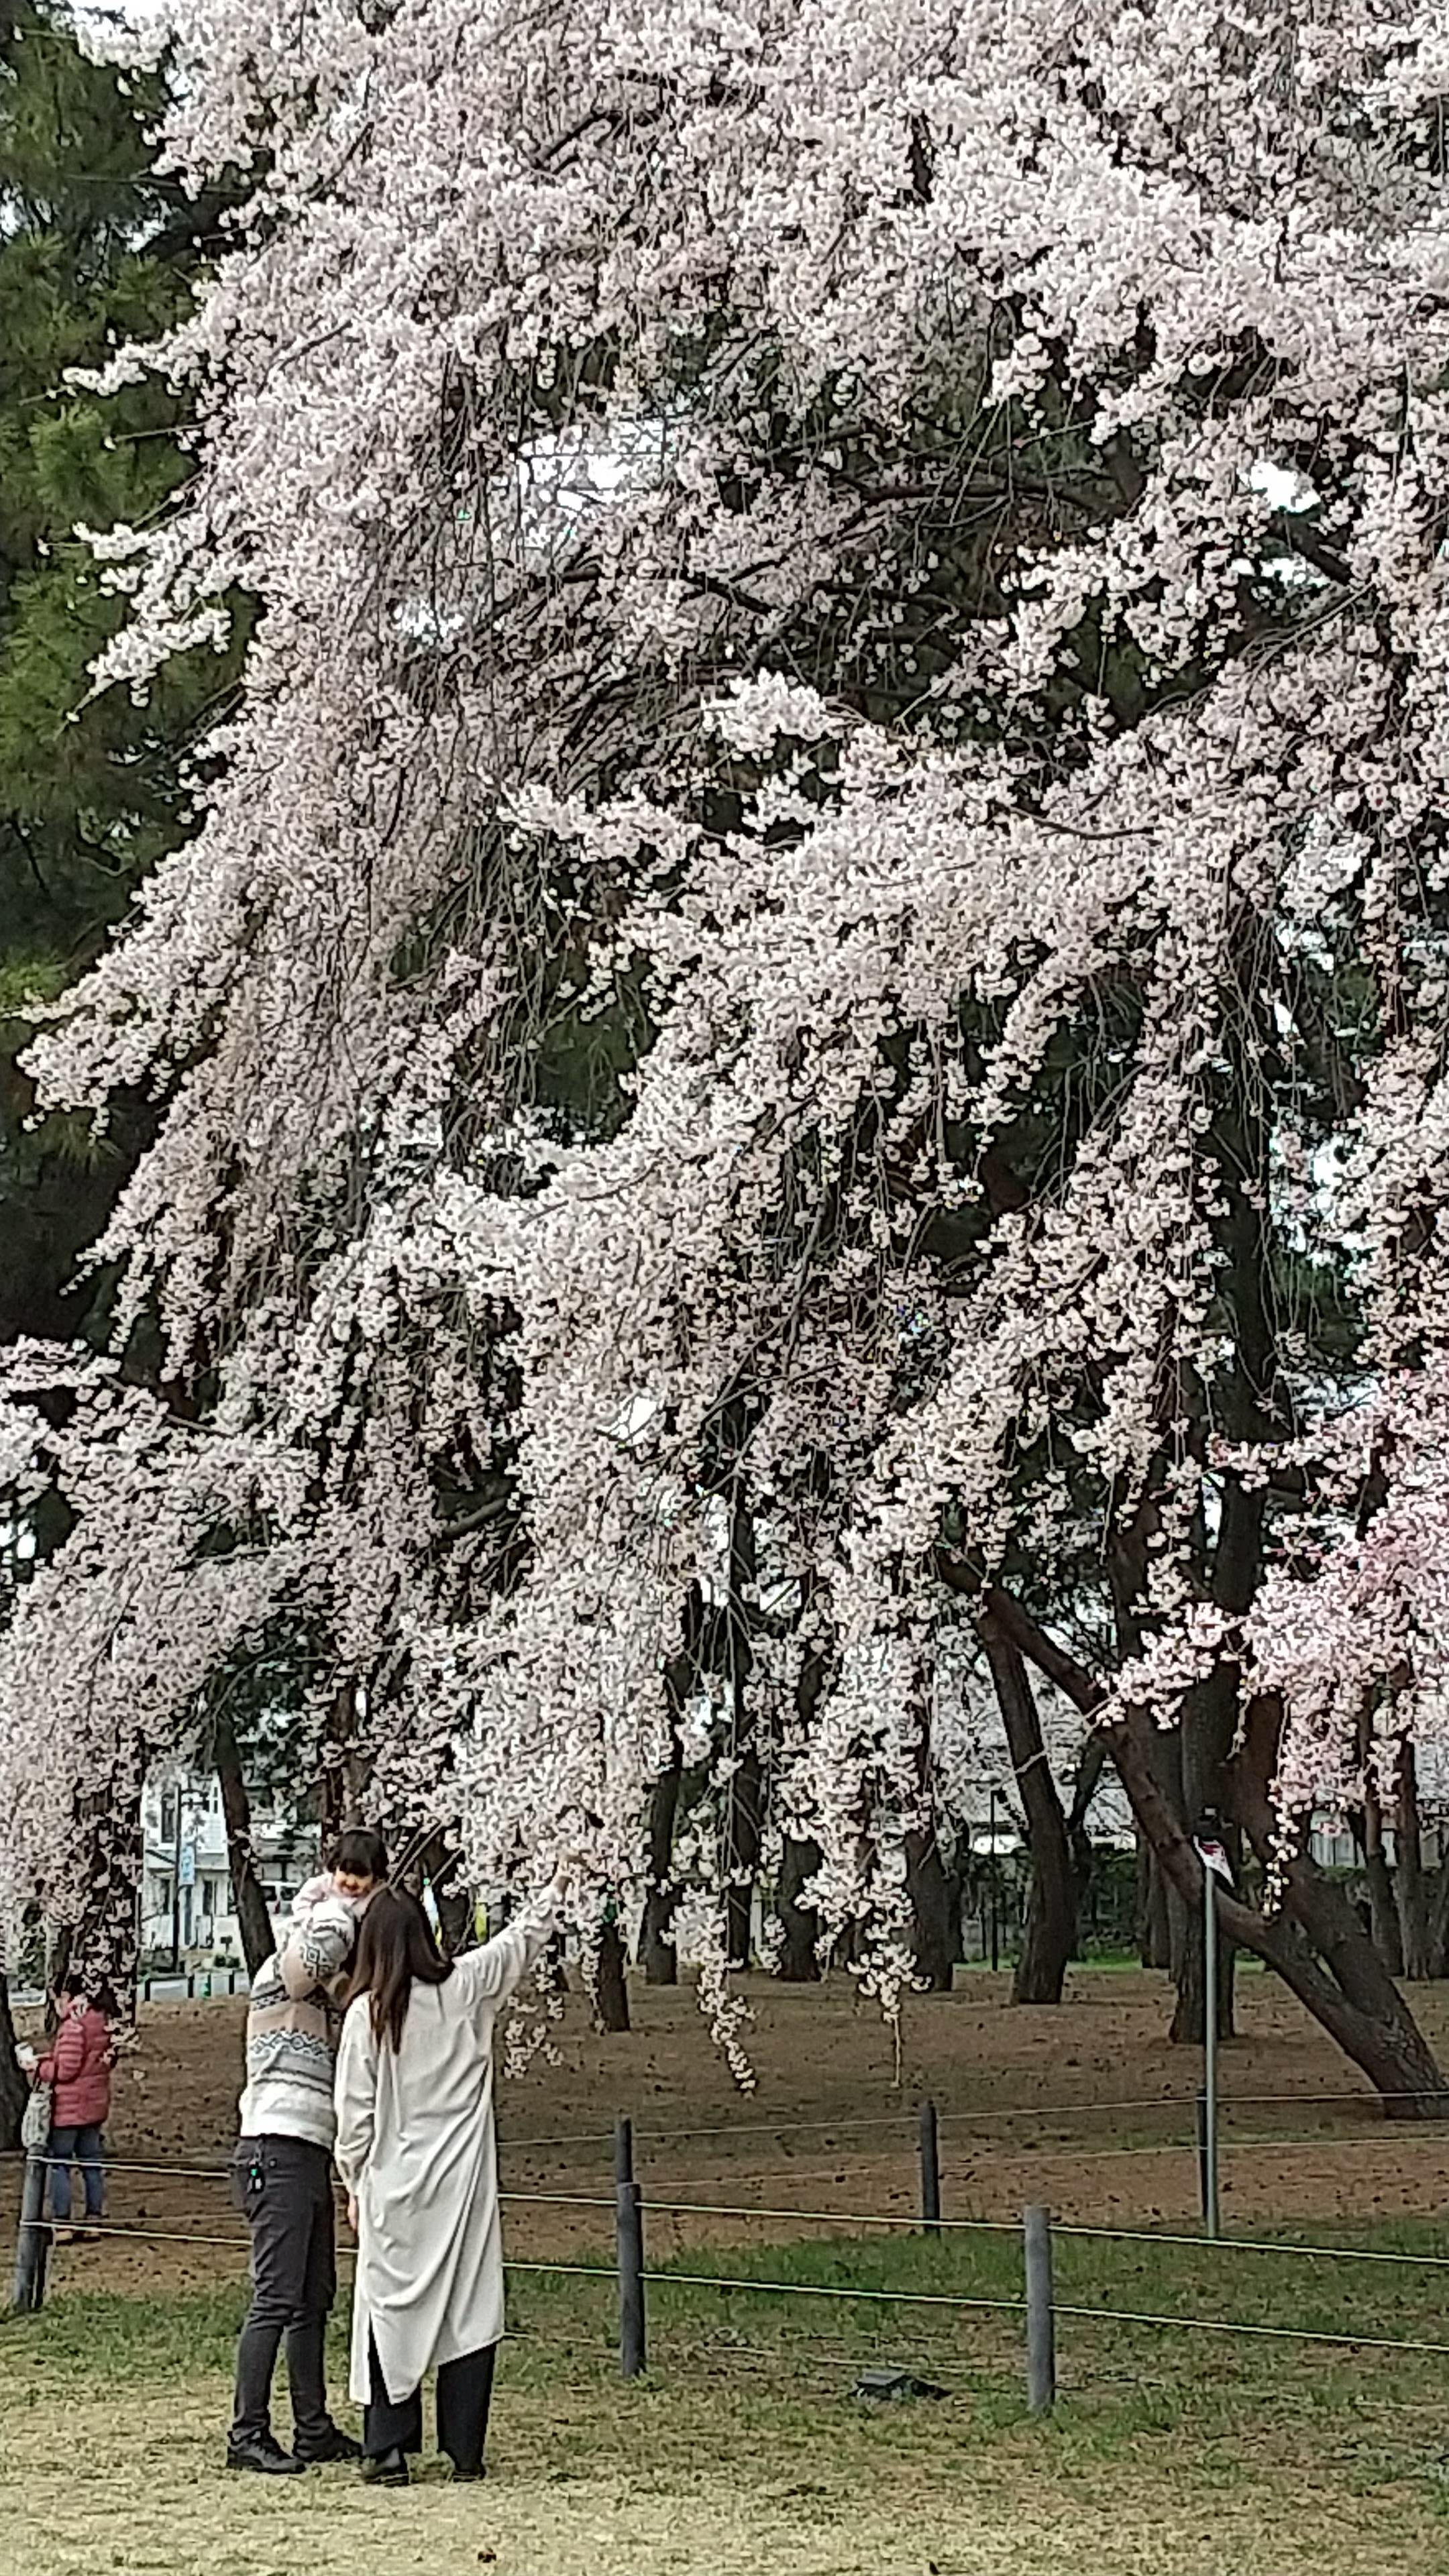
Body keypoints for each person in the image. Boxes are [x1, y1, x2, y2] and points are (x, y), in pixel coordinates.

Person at [335, 1878, 559, 2487]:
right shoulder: (466, 1987)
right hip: (463, 2184)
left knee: (388, 2311)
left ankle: (387, 2448)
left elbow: (355, 2113)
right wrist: (563, 1878)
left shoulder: (369, 2013)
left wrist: (353, 2182)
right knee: (468, 2309)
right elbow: (524, 1939)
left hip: (394, 2184)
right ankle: (466, 2450)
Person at [227, 1824, 388, 2477]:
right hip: (275, 2145)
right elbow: (305, 1970)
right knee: (275, 2296)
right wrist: (344, 1916)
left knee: (313, 2296)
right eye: (346, 1876)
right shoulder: (287, 1964)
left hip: (312, 2151)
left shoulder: (331, 1993)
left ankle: (312, 2427)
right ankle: (247, 2433)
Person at [38, 1981, 113, 2244]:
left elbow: (66, 2071)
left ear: (67, 1997)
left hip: (69, 2109)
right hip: (94, 2105)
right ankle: (95, 2220)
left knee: (60, 2164)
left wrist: (39, 2067)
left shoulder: (74, 2026)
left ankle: (63, 2223)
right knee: (92, 2163)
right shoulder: (103, 2022)